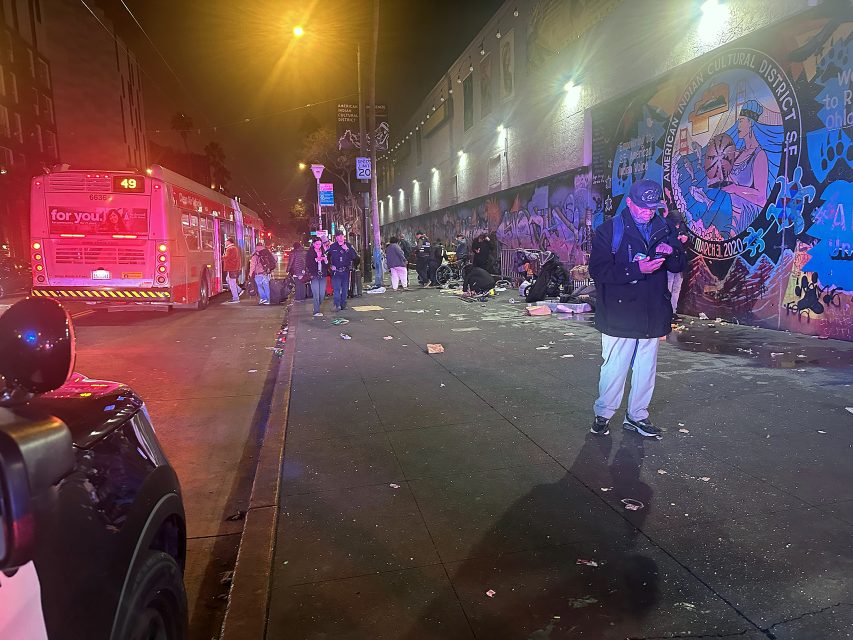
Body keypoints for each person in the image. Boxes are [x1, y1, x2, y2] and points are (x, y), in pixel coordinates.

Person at [588, 179, 686, 439]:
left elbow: (678, 264)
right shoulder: (609, 230)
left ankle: (637, 415)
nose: (647, 212)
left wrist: (672, 252)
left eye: (652, 208)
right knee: (615, 366)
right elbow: (598, 270)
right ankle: (604, 414)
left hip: (653, 310)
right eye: (642, 207)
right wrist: (636, 270)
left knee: (646, 367)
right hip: (619, 312)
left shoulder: (663, 228)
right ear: (629, 202)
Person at [664, 208, 689, 321]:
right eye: (677, 223)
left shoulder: (680, 230)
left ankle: (673, 311)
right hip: (669, 264)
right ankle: (666, 311)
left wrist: (685, 239)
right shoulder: (665, 231)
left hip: (679, 264)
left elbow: (686, 246)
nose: (678, 225)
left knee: (676, 288)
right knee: (668, 288)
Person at [326, 229, 358, 311]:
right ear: (336, 237)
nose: (341, 237)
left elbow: (354, 257)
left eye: (342, 235)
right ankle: (337, 305)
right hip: (336, 271)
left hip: (345, 271)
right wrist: (330, 266)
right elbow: (326, 257)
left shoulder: (348, 245)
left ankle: (343, 304)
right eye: (339, 236)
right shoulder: (332, 247)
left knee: (345, 289)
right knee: (336, 289)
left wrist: (347, 249)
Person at [305, 237, 328, 316]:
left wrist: (325, 260)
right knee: (316, 294)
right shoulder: (310, 253)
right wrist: (316, 260)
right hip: (314, 275)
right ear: (313, 244)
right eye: (317, 244)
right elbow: (308, 264)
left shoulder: (323, 251)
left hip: (323, 275)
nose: (318, 245)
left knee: (322, 294)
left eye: (320, 244)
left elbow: (326, 265)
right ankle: (316, 311)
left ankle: (317, 306)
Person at [249, 241, 276, 305]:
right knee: (266, 286)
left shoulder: (255, 255)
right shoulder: (267, 252)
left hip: (258, 273)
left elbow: (252, 266)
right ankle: (268, 300)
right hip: (266, 272)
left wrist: (250, 274)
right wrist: (269, 268)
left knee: (259, 286)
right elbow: (275, 259)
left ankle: (263, 298)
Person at [222, 237, 242, 304]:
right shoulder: (234, 248)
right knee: (228, 279)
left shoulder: (230, 249)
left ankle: (236, 298)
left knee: (232, 283)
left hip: (231, 268)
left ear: (229, 242)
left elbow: (227, 257)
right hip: (233, 268)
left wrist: (220, 257)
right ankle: (239, 290)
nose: (225, 243)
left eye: (226, 241)